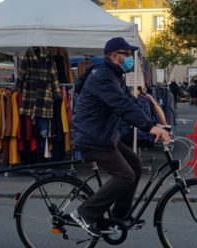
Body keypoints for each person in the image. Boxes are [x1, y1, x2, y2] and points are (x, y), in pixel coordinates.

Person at [70, 37, 170, 237]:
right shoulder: (103, 77)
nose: (130, 58)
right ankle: (85, 212)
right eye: (127, 55)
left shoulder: (114, 75)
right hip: (93, 137)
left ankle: (119, 215)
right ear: (114, 55)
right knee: (125, 176)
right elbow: (122, 106)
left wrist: (154, 122)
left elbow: (130, 102)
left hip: (104, 135)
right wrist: (149, 127)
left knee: (135, 164)